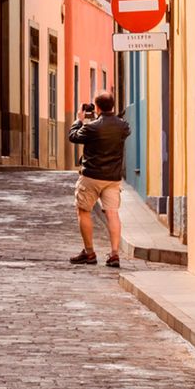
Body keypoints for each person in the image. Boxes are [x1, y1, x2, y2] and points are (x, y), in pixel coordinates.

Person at [66, 92, 131, 268]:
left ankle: (89, 253)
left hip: (91, 177)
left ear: (97, 107)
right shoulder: (123, 126)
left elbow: (73, 137)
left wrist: (79, 119)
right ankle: (114, 254)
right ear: (113, 106)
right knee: (112, 213)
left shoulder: (91, 127)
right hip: (113, 178)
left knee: (83, 211)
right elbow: (122, 129)